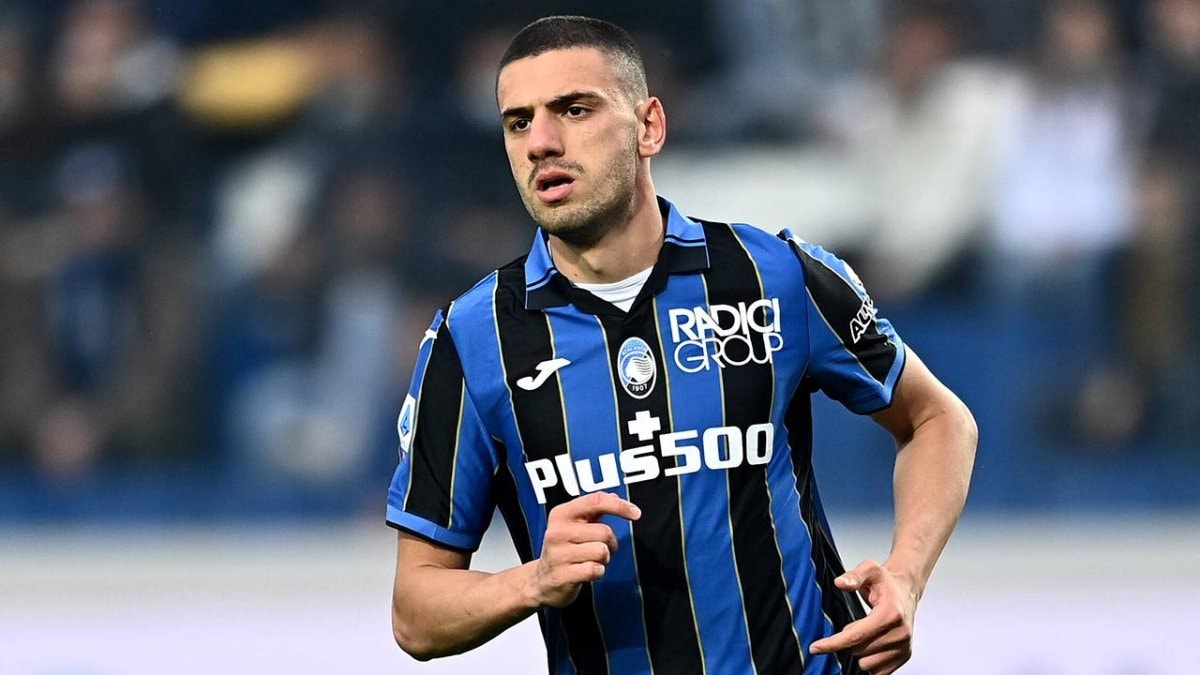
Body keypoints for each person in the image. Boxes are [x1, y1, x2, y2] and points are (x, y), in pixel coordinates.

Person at [386, 15, 977, 675]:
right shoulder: (472, 339)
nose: (542, 143)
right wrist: (532, 579)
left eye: (574, 110)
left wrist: (906, 576)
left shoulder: (774, 276)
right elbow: (415, 613)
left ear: (649, 127)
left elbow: (938, 418)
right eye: (519, 122)